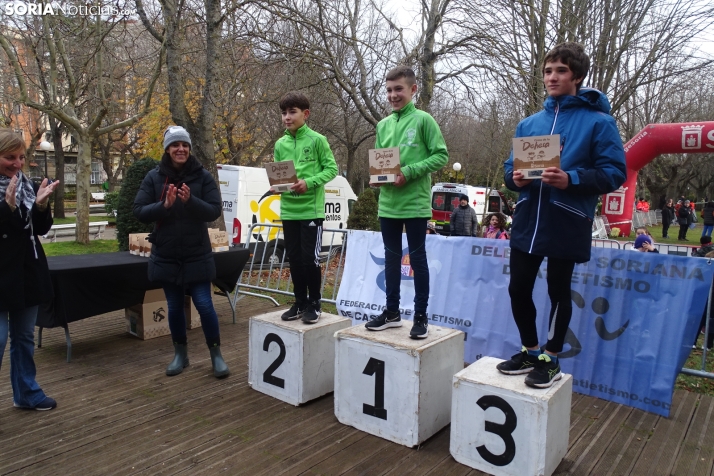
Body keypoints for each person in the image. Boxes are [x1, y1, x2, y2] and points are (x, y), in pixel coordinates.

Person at [498, 43, 626, 388]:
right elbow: (510, 170)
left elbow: (614, 172)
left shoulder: (599, 123)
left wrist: (573, 179)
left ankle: (550, 358)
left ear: (578, 77)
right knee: (518, 288)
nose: (552, 77)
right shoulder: (529, 123)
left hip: (566, 219)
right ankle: (530, 350)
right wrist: (515, 178)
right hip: (528, 219)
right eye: (548, 70)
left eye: (561, 71)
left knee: (558, 291)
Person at [134, 125, 229, 378]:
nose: (181, 149)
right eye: (175, 145)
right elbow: (139, 211)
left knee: (205, 305)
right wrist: (163, 206)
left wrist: (190, 201)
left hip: (196, 253)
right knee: (174, 307)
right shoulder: (154, 177)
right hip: (167, 254)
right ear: (167, 149)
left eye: (185, 145)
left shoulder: (202, 176)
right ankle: (180, 355)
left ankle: (216, 355)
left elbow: (213, 210)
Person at [364, 65, 448, 339]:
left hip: (415, 203)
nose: (393, 95)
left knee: (417, 259)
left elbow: (441, 156)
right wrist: (376, 179)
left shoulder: (424, 120)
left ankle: (420, 316)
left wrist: (409, 172)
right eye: (388, 90)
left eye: (398, 89)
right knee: (390, 260)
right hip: (388, 204)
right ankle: (392, 312)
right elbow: (381, 161)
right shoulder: (383, 125)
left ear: (413, 90)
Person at [0, 129, 59, 410]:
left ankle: (26, 393)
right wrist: (7, 209)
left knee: (23, 337)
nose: (17, 164)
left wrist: (41, 204)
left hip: (26, 273)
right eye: (9, 157)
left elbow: (41, 229)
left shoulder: (27, 185)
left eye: (21, 157)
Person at [273, 92, 338, 324]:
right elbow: (279, 176)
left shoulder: (317, 140)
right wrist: (276, 187)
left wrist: (308, 183)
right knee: (294, 258)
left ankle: (315, 303)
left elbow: (332, 170)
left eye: (292, 112)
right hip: (289, 211)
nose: (287, 117)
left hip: (311, 211)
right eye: (284, 113)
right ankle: (299, 302)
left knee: (310, 259)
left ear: (305, 114)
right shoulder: (280, 143)